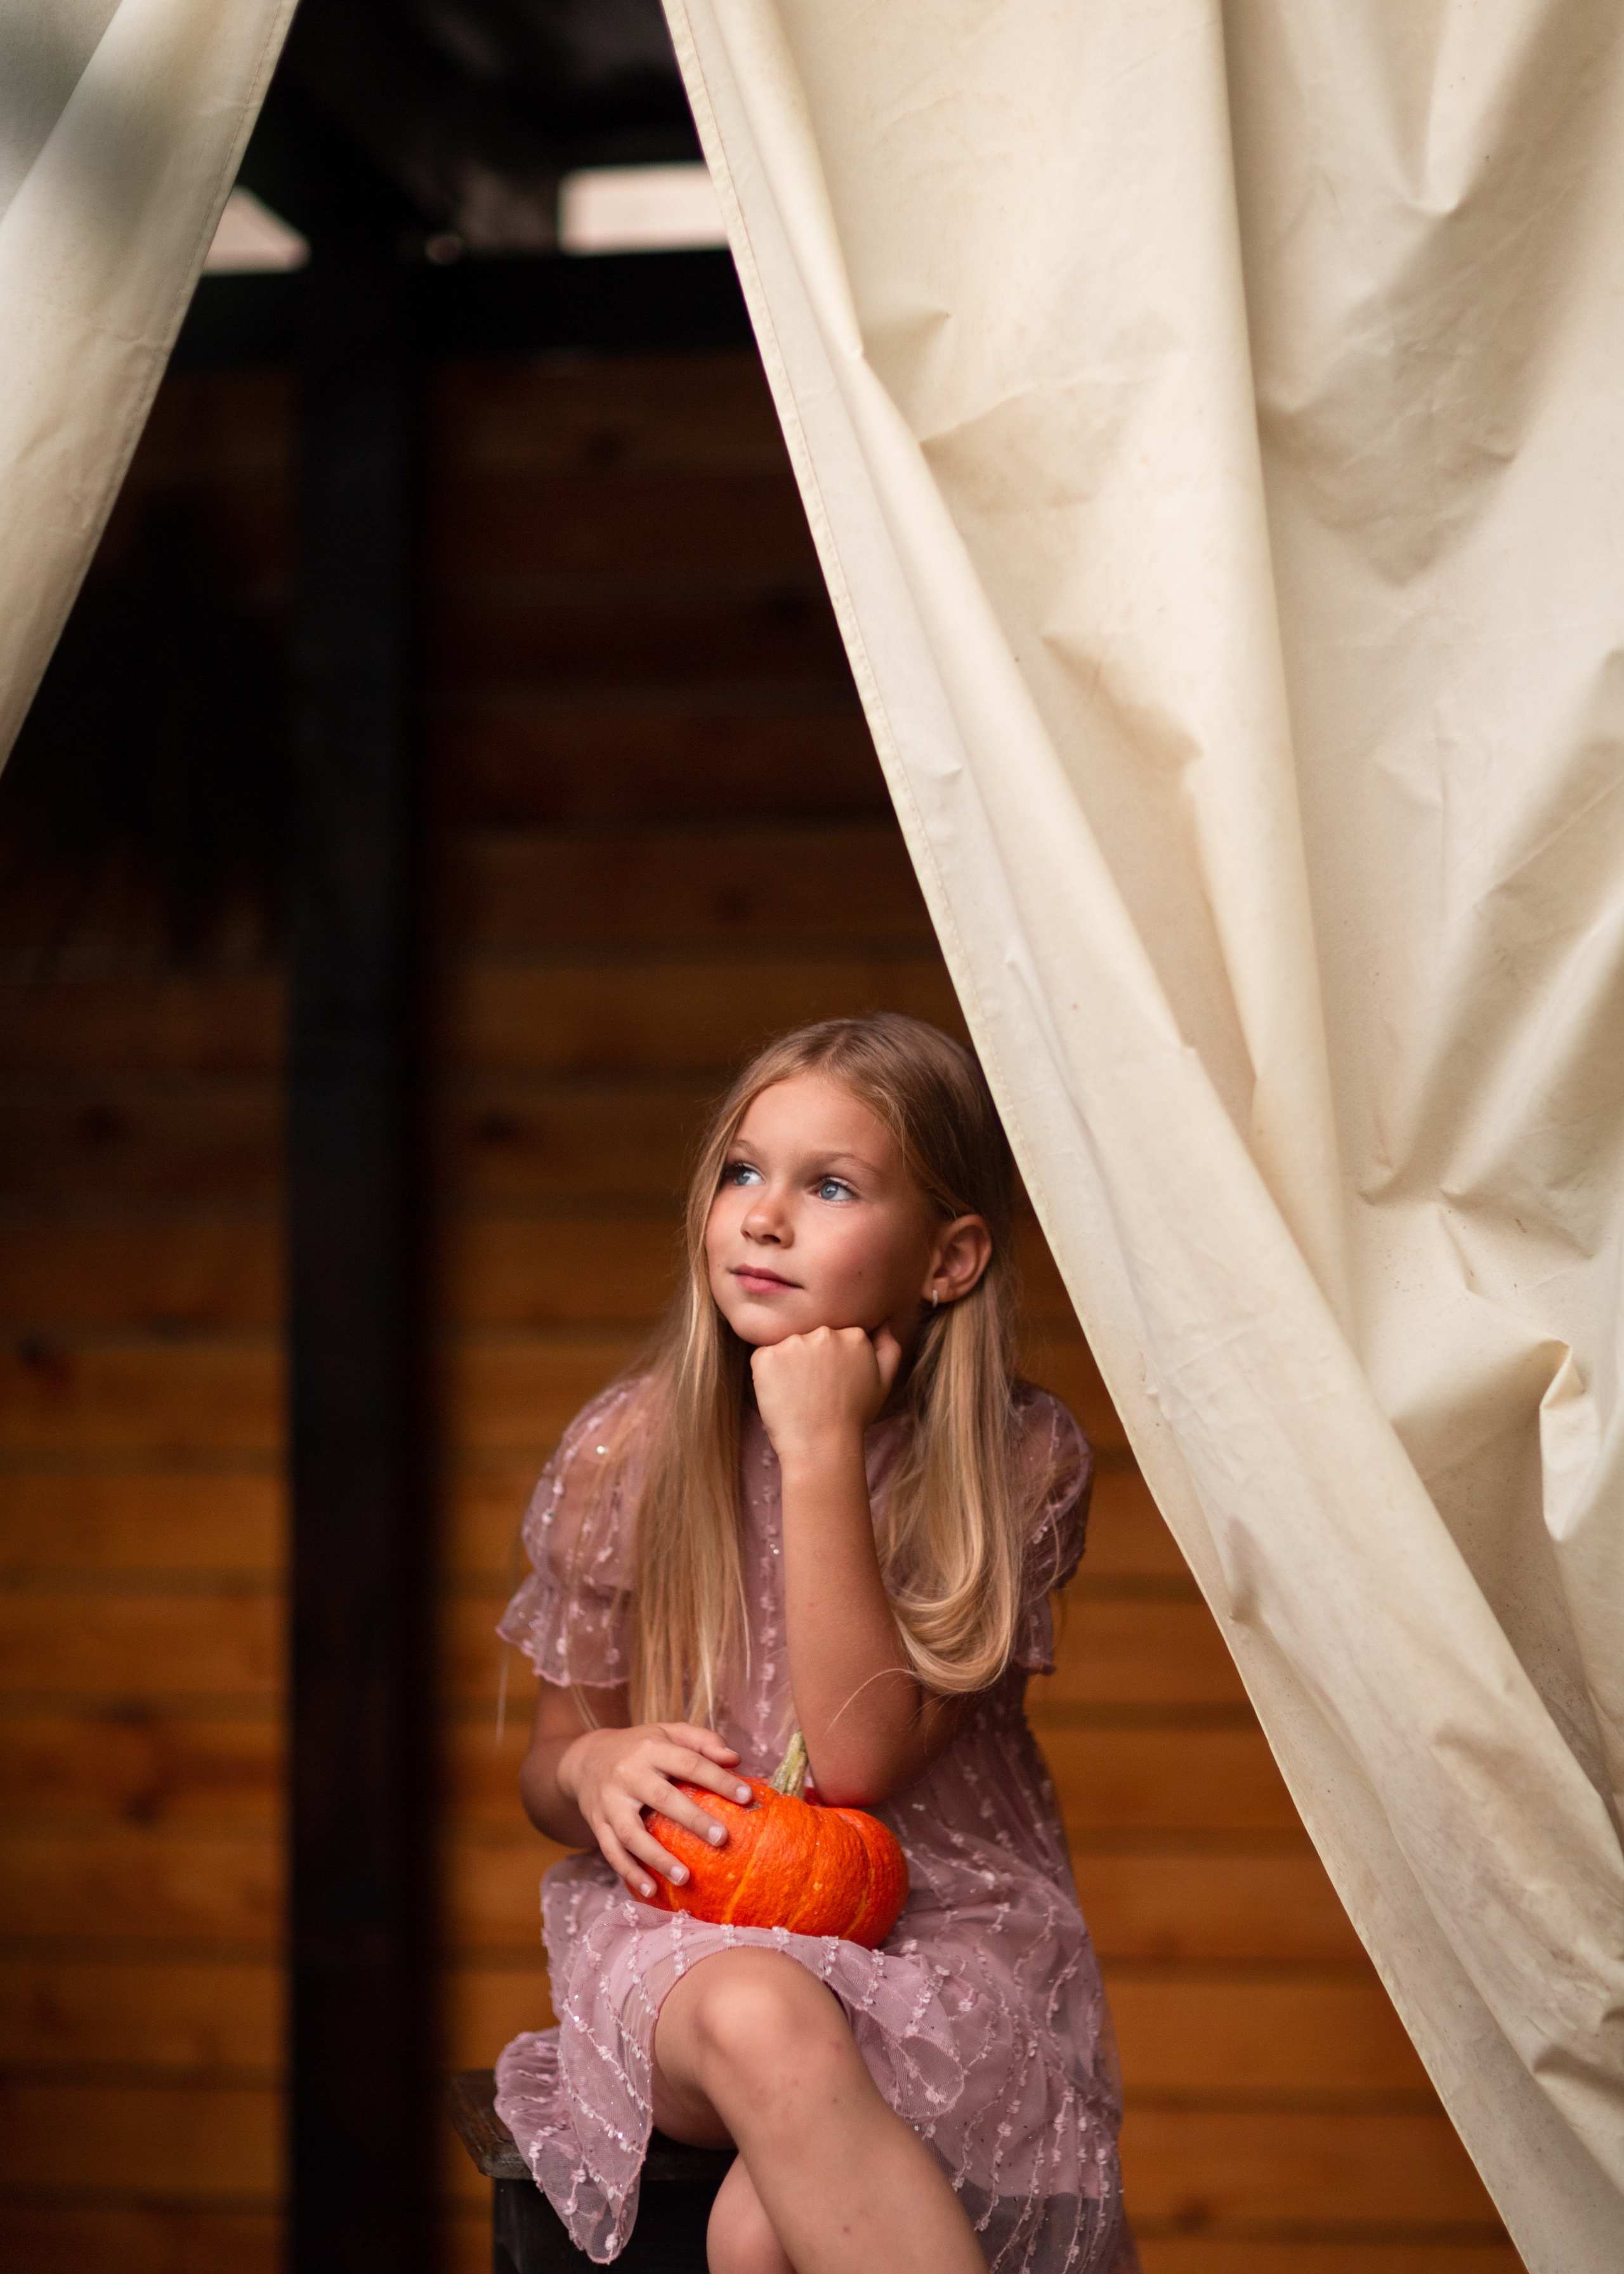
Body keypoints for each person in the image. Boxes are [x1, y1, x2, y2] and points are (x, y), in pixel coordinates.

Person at [495, 1013, 1136, 2274]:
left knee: (760, 2233)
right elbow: (553, 1753)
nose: (763, 1215)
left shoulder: (1017, 1459)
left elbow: (852, 1761)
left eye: (828, 1184)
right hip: (694, 1934)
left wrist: (820, 1448)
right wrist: (587, 1770)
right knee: (760, 2010)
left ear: (948, 1257)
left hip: (947, 1933)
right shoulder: (628, 1449)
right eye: (742, 1169)